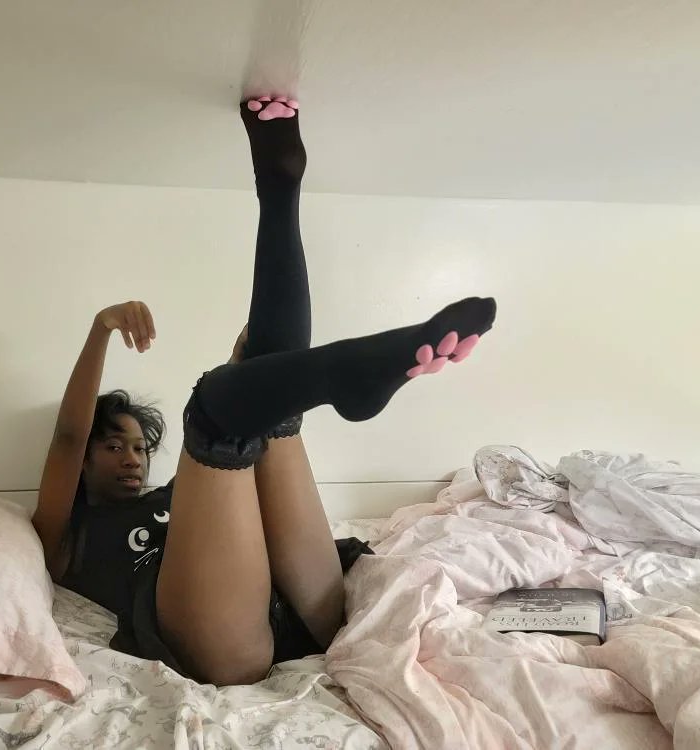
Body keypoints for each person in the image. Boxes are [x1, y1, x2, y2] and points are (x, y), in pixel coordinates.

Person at [32, 95, 496, 686]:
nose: (132, 458)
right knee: (216, 424)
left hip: (314, 603)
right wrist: (101, 328)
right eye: (113, 446)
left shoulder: (182, 492)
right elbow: (67, 436)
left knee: (262, 386)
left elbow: (245, 457)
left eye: (139, 448)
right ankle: (343, 371)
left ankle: (280, 188)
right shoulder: (63, 535)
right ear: (84, 461)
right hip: (226, 644)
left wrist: (250, 366)